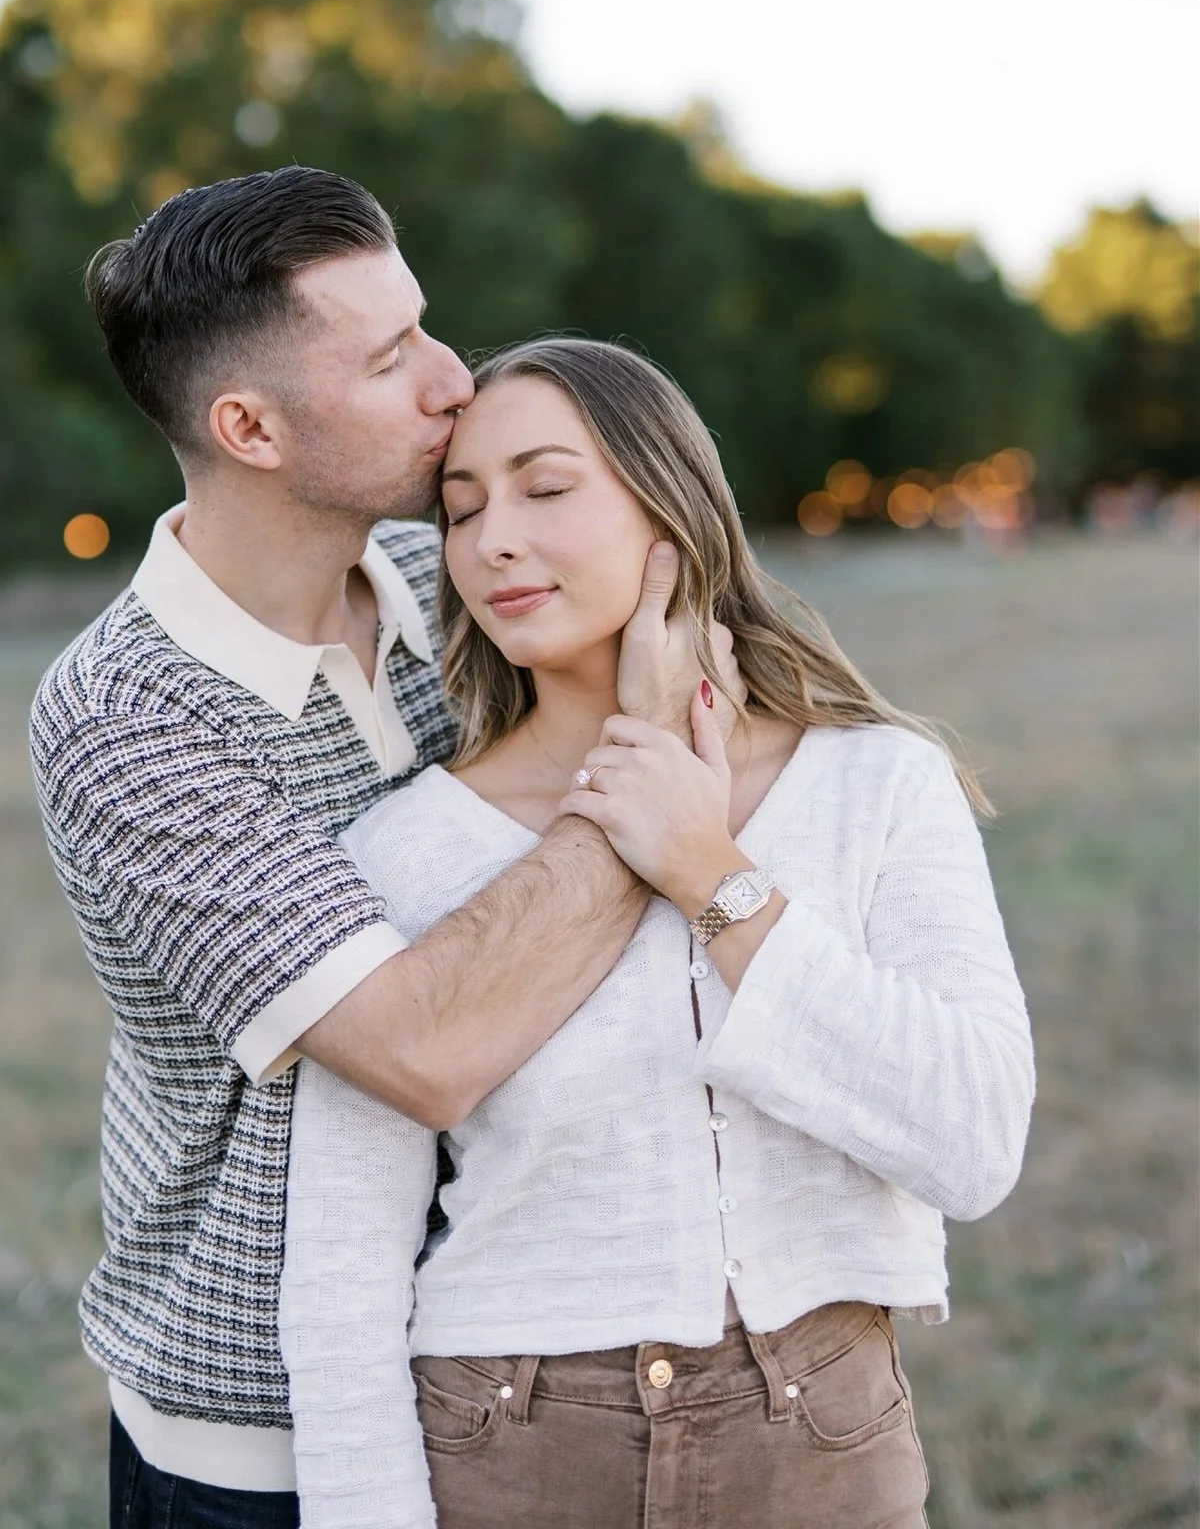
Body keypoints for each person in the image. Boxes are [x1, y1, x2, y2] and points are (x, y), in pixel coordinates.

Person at [29, 171, 738, 1529]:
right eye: (388, 357)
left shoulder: (456, 581)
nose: (451, 381)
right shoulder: (126, 715)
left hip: (526, 1366)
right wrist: (645, 772)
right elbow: (422, 1050)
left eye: (429, 327)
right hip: (263, 1440)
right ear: (249, 426)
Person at [279, 337, 1036, 1529]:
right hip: (510, 1443)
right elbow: (338, 1268)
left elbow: (974, 1144)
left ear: (667, 508)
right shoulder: (408, 849)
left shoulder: (878, 784)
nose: (492, 543)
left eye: (544, 487)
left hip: (825, 1440)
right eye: (463, 509)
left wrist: (709, 870)